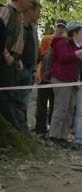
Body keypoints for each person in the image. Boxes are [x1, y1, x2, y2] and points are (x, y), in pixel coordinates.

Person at [48, 21, 82, 148]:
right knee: (61, 107)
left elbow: (78, 66)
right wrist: (79, 54)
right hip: (60, 79)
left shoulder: (79, 47)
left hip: (72, 81)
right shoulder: (62, 42)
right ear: (75, 32)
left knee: (70, 109)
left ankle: (63, 137)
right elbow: (63, 57)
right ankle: (53, 136)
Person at [0, 0, 34, 133]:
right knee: (6, 97)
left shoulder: (19, 15)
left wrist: (17, 59)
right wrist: (5, 53)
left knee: (13, 97)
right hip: (4, 60)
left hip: (14, 60)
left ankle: (15, 130)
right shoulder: (6, 10)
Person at [35, 19, 66, 138]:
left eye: (62, 28)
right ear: (55, 27)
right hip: (43, 76)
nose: (60, 29)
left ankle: (52, 130)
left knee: (54, 105)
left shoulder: (65, 42)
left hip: (57, 78)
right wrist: (53, 50)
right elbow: (41, 56)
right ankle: (40, 130)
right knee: (41, 105)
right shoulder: (46, 39)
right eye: (58, 27)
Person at [17, 0, 40, 137]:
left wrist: (34, 70)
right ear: (30, 10)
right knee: (18, 101)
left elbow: (34, 52)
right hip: (18, 68)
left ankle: (24, 130)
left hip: (29, 70)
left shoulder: (32, 30)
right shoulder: (18, 26)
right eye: (37, 11)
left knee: (26, 102)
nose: (38, 15)